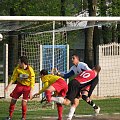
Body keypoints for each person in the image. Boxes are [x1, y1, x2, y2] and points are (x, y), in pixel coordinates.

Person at [54, 54, 100, 119]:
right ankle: (71, 114)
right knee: (75, 100)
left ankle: (95, 107)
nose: (72, 59)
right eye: (71, 58)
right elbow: (67, 75)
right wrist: (58, 73)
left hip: (87, 83)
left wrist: (89, 86)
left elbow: (91, 73)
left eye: (73, 58)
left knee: (83, 96)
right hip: (79, 84)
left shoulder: (82, 65)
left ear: (77, 59)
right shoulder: (73, 68)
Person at [5, 56, 35, 120]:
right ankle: (9, 116)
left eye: (19, 62)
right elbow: (13, 78)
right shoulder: (17, 68)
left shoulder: (30, 70)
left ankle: (23, 117)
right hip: (19, 86)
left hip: (27, 87)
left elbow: (32, 82)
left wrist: (31, 92)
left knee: (24, 103)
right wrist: (8, 86)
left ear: (23, 63)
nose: (18, 63)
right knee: (13, 101)